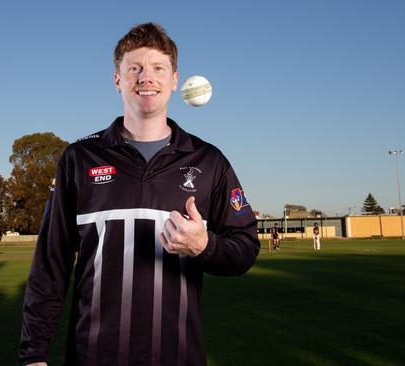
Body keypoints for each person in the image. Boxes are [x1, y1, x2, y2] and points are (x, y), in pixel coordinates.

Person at [19, 23, 260, 366]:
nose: (146, 77)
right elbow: (50, 263)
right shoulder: (79, 158)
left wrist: (204, 246)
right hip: (91, 357)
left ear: (174, 80)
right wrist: (33, 355)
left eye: (158, 68)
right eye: (135, 68)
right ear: (117, 80)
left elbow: (246, 247)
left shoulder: (209, 161)